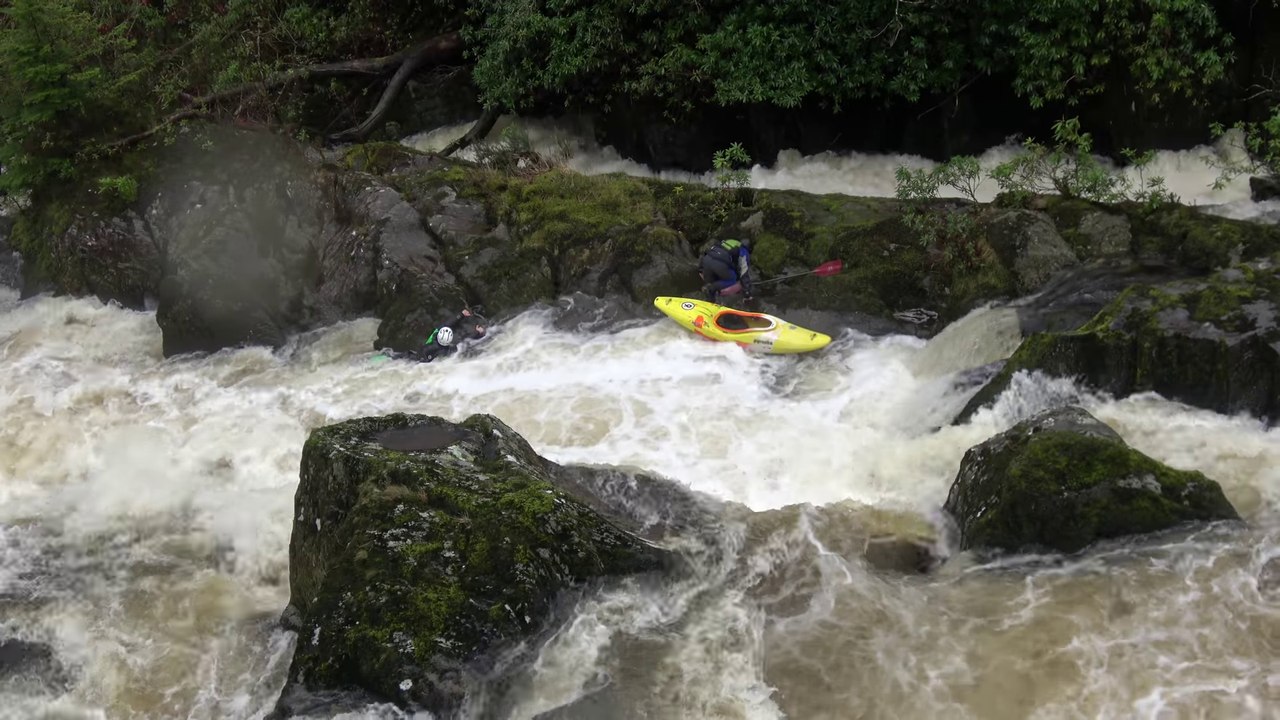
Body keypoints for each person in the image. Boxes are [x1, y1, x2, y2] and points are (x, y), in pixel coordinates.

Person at [412, 307, 488, 363]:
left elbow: (447, 324)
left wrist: (461, 315)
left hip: (422, 357)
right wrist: (478, 334)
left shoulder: (434, 336)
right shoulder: (448, 351)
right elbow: (466, 342)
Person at [698, 237, 754, 304]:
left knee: (715, 280)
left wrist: (701, 269)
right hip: (720, 265)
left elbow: (713, 249)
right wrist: (747, 293)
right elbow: (744, 272)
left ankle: (710, 299)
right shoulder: (743, 251)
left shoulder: (729, 241)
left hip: (706, 260)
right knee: (732, 280)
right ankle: (711, 288)